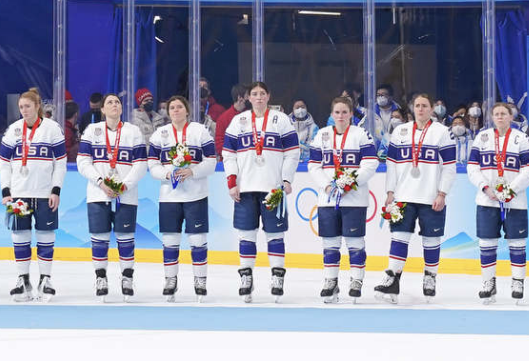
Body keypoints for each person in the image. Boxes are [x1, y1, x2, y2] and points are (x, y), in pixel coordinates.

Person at [222, 80, 300, 302]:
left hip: (272, 189)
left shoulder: (281, 120)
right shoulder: (239, 121)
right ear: (248, 97)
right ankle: (246, 278)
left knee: (275, 235)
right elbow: (228, 154)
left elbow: (292, 152)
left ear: (268, 96)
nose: (258, 97)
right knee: (246, 236)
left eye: (262, 93)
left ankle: (277, 277)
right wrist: (231, 182)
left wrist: (286, 179)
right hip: (245, 189)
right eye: (254, 94)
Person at [375, 92, 454, 303]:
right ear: (412, 109)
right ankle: (393, 278)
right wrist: (390, 192)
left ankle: (430, 276)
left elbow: (449, 167)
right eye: (417, 105)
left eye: (424, 106)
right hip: (403, 195)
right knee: (399, 237)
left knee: (431, 240)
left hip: (431, 197)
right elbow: (391, 165)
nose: (421, 109)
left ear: (431, 109)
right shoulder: (400, 131)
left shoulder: (442, 133)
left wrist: (442, 193)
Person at [306, 96, 377, 304]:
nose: (341, 116)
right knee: (330, 243)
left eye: (345, 112)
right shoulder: (321, 135)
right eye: (337, 112)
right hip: (328, 199)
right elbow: (313, 165)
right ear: (331, 114)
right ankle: (330, 282)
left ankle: (356, 281)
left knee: (355, 242)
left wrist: (350, 183)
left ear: (351, 114)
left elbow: (370, 163)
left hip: (354, 199)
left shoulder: (361, 134)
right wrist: (328, 186)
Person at [77, 93, 148, 300]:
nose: (114, 105)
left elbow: (140, 163)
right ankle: (101, 277)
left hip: (125, 194)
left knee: (126, 238)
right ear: (103, 109)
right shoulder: (92, 130)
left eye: (117, 102)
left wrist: (125, 185)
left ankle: (127, 277)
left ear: (122, 108)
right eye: (110, 102)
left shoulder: (133, 131)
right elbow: (83, 162)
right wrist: (101, 182)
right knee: (99, 238)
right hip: (99, 193)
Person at [467, 101, 529, 304]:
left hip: (515, 201)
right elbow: (473, 167)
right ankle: (488, 283)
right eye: (496, 114)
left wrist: (511, 189)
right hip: (487, 200)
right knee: (486, 243)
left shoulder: (521, 138)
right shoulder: (482, 137)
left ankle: (517, 282)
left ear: (511, 116)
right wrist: (485, 187)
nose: (500, 117)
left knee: (517, 243)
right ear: (491, 117)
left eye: (504, 114)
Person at [0, 89, 66, 302]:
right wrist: (6, 191)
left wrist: (56, 190)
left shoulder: (52, 129)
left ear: (37, 106)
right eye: (21, 107)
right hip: (19, 194)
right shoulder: (13, 130)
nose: (24, 111)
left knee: (46, 236)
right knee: (20, 236)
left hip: (45, 194)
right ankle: (23, 280)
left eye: (28, 106)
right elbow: (4, 163)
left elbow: (61, 162)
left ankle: (45, 279)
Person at [148, 93, 217, 301]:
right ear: (168, 113)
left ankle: (200, 281)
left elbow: (212, 160)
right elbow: (152, 165)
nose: (176, 111)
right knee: (170, 240)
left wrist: (192, 172)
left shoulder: (200, 131)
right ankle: (170, 280)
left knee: (197, 240)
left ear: (187, 110)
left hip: (196, 195)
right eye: (172, 108)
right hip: (169, 196)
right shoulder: (160, 134)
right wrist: (168, 174)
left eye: (179, 107)